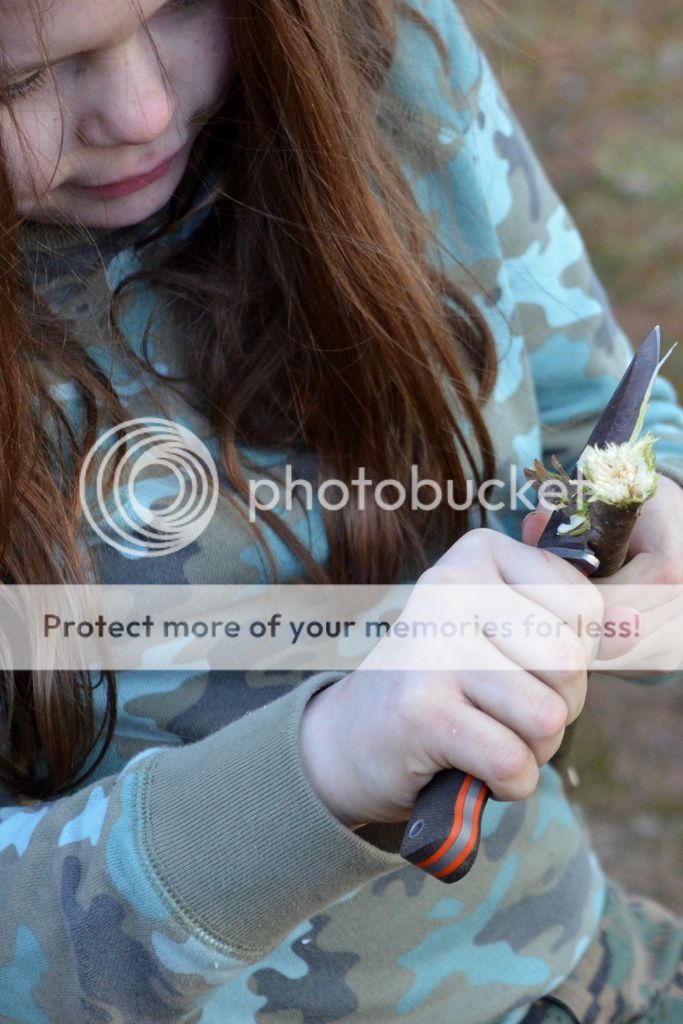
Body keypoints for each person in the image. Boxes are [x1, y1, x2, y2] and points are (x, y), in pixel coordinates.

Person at [0, 0, 681, 1021]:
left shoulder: (390, 53)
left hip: (576, 974)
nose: (139, 112)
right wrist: (326, 767)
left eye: (182, 7)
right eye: (18, 81)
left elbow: (596, 406)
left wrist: (654, 519)